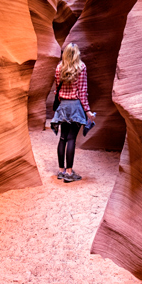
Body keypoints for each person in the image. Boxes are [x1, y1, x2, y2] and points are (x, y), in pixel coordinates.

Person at [50, 43, 94, 182]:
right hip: (75, 106)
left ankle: (61, 171)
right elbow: (82, 92)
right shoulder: (81, 68)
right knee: (71, 139)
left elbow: (57, 89)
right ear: (77, 54)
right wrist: (88, 112)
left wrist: (61, 102)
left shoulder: (59, 68)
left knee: (62, 138)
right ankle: (69, 173)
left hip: (63, 105)